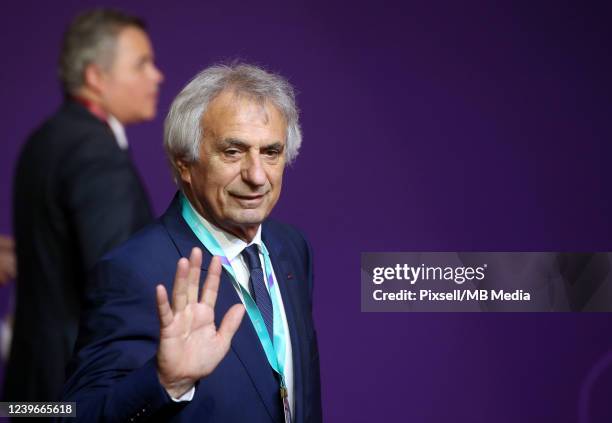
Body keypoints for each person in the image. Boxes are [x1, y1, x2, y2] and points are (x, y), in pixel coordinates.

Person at [62, 63, 322, 422]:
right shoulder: (132, 272)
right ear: (185, 163)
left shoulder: (291, 248)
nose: (257, 176)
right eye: (233, 152)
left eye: (271, 152)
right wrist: (165, 382)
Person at [5, 8, 163, 402]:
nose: (156, 76)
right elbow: (115, 281)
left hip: (32, 389)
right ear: (95, 76)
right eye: (141, 64)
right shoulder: (96, 151)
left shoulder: (44, 138)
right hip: (78, 390)